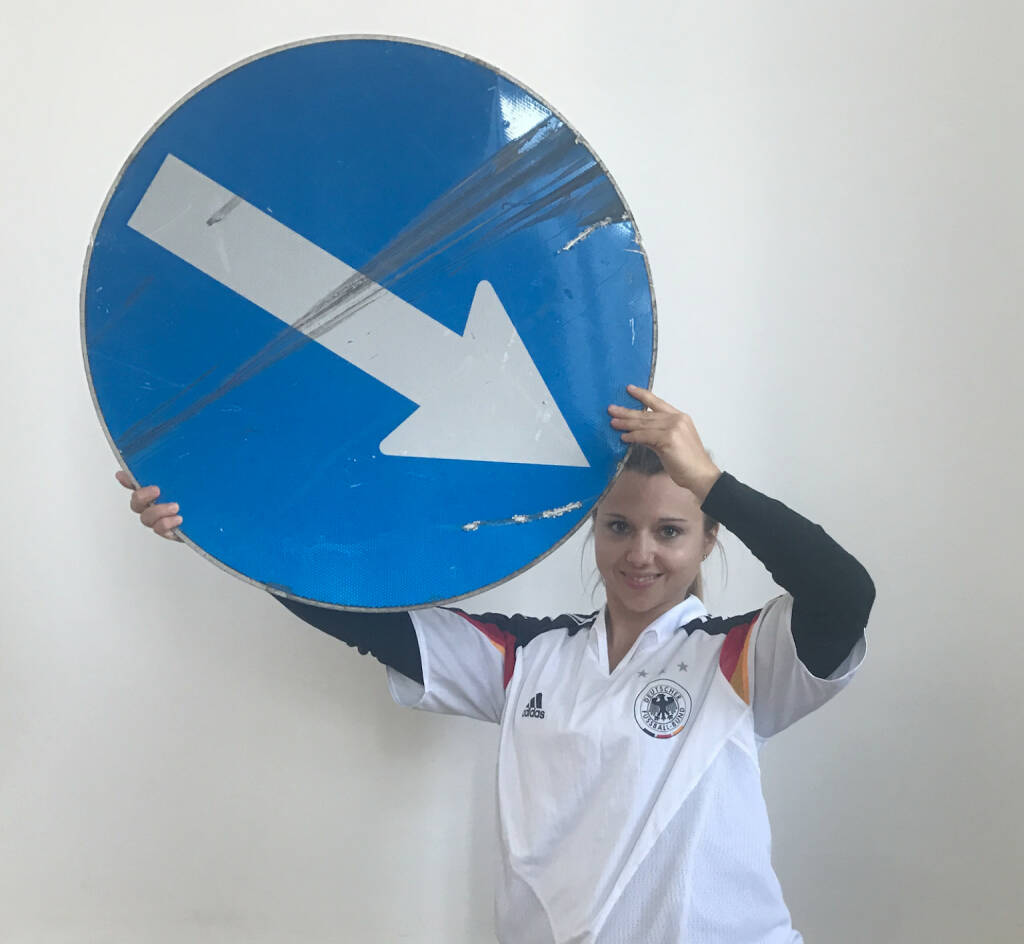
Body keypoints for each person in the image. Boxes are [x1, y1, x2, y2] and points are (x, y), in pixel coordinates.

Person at [116, 385, 874, 944]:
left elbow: (845, 593)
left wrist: (710, 480)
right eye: (618, 526)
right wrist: (219, 527)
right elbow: (367, 620)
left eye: (670, 531)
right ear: (592, 528)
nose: (640, 553)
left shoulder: (741, 660)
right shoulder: (527, 658)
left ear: (708, 539)